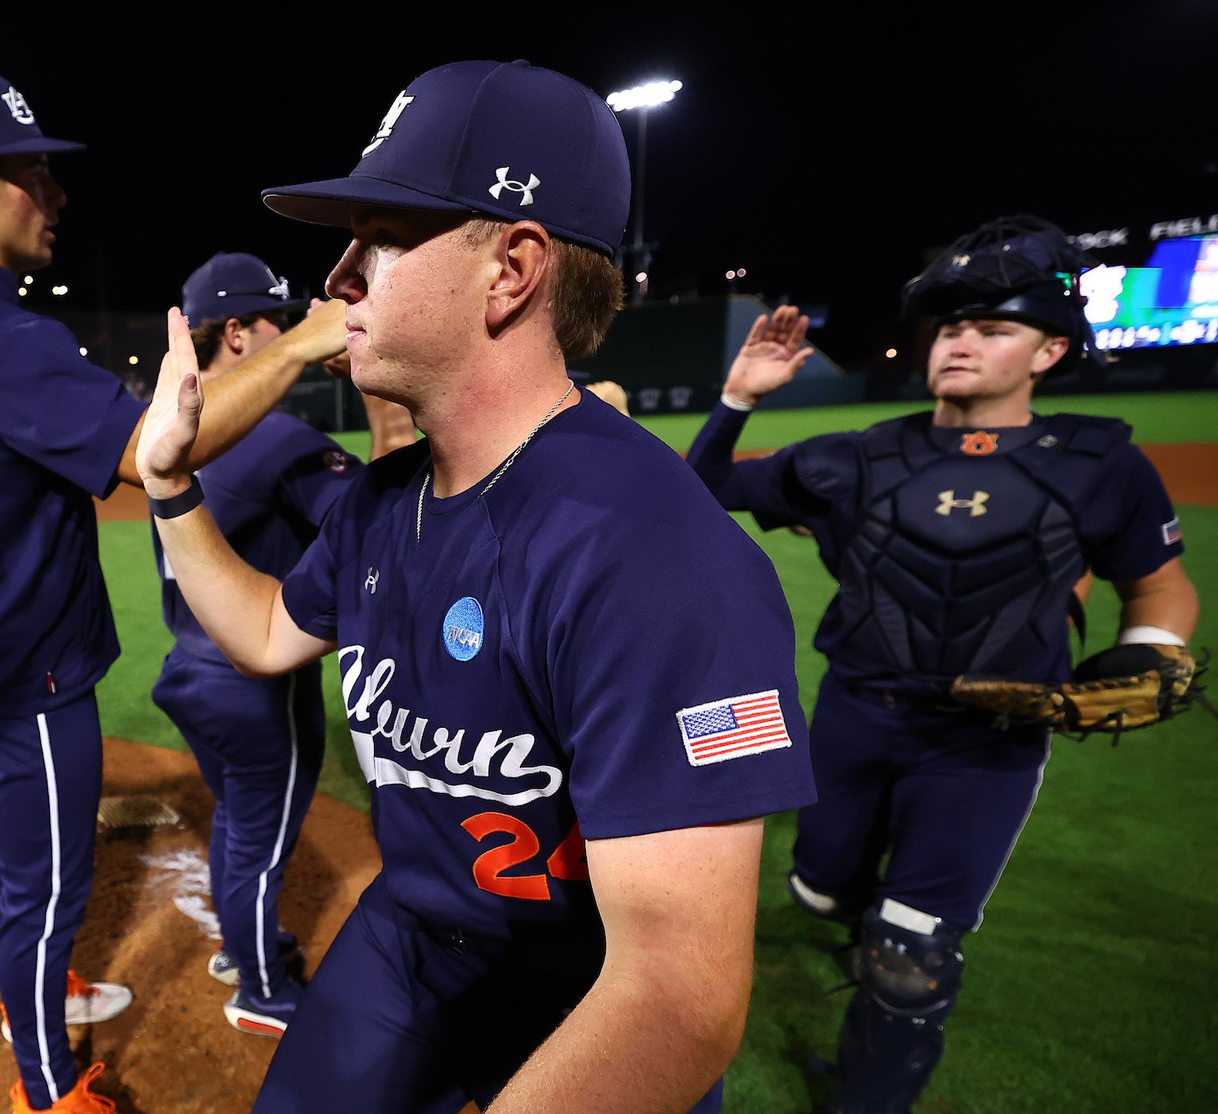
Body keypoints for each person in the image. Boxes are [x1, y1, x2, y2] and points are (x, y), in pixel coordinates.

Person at [138, 59, 817, 1114]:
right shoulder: (384, 497)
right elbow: (269, 633)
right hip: (406, 946)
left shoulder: (656, 553)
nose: (340, 279)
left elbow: (679, 996)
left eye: (385, 236)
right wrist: (172, 484)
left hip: (587, 996)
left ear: (513, 269)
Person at [0, 67, 346, 1112]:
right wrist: (313, 341)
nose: (54, 196)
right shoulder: (1, 333)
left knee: (25, 875)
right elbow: (160, 449)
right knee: (47, 893)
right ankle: (49, 1088)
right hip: (28, 664)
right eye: (34, 177)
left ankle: (36, 991)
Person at [683, 215, 1201, 1114]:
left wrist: (1155, 652)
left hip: (988, 741)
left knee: (910, 954)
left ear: (1047, 354)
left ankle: (867, 1093)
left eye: (992, 329)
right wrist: (738, 401)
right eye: (951, 327)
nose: (961, 342)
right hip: (854, 714)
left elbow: (1159, 588)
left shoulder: (1100, 465)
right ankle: (861, 907)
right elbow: (701, 495)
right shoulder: (855, 457)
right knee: (818, 889)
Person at [153, 253, 414, 1038]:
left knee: (238, 826)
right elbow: (392, 523)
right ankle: (261, 990)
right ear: (237, 334)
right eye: (277, 319)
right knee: (260, 846)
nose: (300, 328)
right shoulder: (275, 435)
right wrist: (382, 391)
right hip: (255, 682)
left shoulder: (176, 417)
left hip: (190, 669)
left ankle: (243, 951)